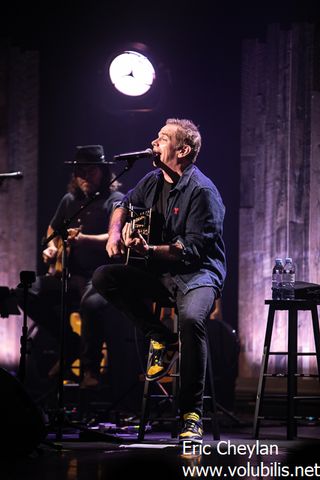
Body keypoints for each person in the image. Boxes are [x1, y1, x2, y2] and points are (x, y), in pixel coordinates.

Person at [92, 119, 226, 444]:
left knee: (193, 319)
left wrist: (148, 248)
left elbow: (190, 252)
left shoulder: (203, 192)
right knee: (104, 277)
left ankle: (191, 416)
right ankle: (162, 338)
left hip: (198, 275)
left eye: (163, 138)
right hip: (160, 273)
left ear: (182, 150)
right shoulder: (152, 180)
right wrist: (115, 234)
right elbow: (122, 205)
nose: (154, 142)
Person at [15, 145, 124, 388]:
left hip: (100, 276)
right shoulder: (70, 200)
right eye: (80, 171)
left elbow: (117, 236)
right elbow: (54, 230)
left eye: (91, 171)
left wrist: (84, 239)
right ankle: (70, 344)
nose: (85, 176)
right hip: (68, 275)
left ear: (103, 172)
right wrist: (51, 247)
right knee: (24, 291)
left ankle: (90, 367)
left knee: (91, 304)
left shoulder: (115, 201)